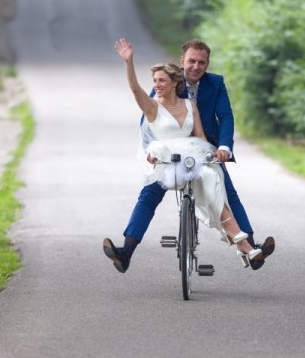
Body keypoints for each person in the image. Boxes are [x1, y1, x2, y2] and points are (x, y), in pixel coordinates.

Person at [103, 38, 276, 272]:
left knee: (225, 191)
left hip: (201, 149)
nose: (196, 67)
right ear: (182, 61)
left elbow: (225, 116)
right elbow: (150, 121)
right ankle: (126, 252)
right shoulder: (167, 80)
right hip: (167, 152)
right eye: (191, 61)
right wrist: (149, 153)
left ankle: (250, 247)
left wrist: (224, 146)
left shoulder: (215, 83)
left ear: (207, 63)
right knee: (150, 194)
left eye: (201, 62)